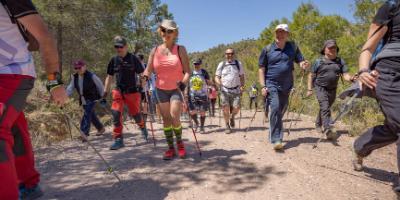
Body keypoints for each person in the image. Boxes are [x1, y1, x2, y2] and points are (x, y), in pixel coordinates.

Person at [0, 0, 67, 199]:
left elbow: (44, 38)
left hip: (14, 72)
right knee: (14, 127)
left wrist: (54, 82)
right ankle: (28, 184)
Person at [351, 0, 400, 192]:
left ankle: (361, 145)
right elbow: (368, 48)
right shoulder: (392, 7)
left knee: (393, 127)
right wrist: (363, 70)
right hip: (389, 73)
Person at [143, 19, 191, 160]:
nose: (166, 33)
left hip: (176, 88)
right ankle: (171, 148)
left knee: (174, 115)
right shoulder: (155, 50)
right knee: (166, 119)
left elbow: (188, 71)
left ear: (175, 32)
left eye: (170, 30)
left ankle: (180, 144)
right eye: (163, 30)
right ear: (160, 32)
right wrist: (145, 77)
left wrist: (183, 83)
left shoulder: (180, 49)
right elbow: (149, 69)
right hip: (160, 89)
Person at [258, 24, 310, 150]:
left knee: (281, 111)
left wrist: (303, 64)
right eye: (278, 32)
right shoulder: (267, 49)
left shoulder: (293, 48)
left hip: (287, 85)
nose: (280, 34)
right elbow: (261, 69)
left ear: (287, 34)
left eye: (282, 32)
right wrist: (263, 86)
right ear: (275, 33)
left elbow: (300, 61)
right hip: (271, 83)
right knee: (275, 107)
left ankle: (273, 127)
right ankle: (277, 139)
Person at [103, 36, 148, 150]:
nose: (118, 49)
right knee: (116, 113)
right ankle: (118, 139)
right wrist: (105, 91)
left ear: (126, 46)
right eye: (116, 47)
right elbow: (109, 77)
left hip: (132, 92)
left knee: (136, 115)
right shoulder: (114, 60)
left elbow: (142, 74)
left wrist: (142, 86)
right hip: (118, 91)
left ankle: (142, 127)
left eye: (120, 46)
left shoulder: (133, 59)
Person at [306, 40, 354, 139]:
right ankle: (328, 130)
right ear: (324, 49)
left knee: (325, 107)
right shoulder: (318, 61)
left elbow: (345, 75)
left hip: (333, 89)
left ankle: (318, 123)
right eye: (330, 47)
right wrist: (309, 89)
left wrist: (351, 78)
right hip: (320, 87)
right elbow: (311, 75)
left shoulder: (340, 61)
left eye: (334, 48)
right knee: (325, 107)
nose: (333, 49)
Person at [66, 60, 105, 141]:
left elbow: (100, 85)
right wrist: (65, 96)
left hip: (92, 97)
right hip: (83, 98)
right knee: (91, 114)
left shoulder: (91, 76)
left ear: (84, 67)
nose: (78, 69)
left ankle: (84, 133)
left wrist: (102, 96)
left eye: (79, 67)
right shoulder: (75, 77)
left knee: (87, 113)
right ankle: (100, 128)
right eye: (76, 68)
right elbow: (70, 87)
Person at [215, 48, 245, 134]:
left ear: (234, 54)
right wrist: (219, 83)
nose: (230, 55)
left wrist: (242, 86)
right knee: (225, 108)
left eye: (231, 53)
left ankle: (232, 117)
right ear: (225, 55)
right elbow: (216, 76)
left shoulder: (238, 64)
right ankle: (227, 125)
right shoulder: (222, 64)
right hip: (224, 90)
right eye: (228, 53)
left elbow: (242, 76)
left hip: (236, 90)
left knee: (237, 107)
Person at [187, 58, 211, 134]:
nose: (196, 65)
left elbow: (208, 81)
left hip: (203, 95)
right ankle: (197, 123)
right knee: (192, 112)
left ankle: (202, 127)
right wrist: (185, 93)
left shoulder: (204, 72)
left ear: (200, 64)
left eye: (197, 64)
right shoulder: (190, 73)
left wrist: (212, 86)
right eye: (195, 64)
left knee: (202, 112)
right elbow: (187, 83)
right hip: (192, 95)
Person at [138, 54, 149, 123]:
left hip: (145, 88)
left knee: (145, 103)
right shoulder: (135, 66)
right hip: (137, 87)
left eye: (139, 59)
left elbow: (151, 77)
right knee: (139, 103)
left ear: (141, 59)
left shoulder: (146, 66)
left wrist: (151, 88)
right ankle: (140, 118)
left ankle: (144, 118)